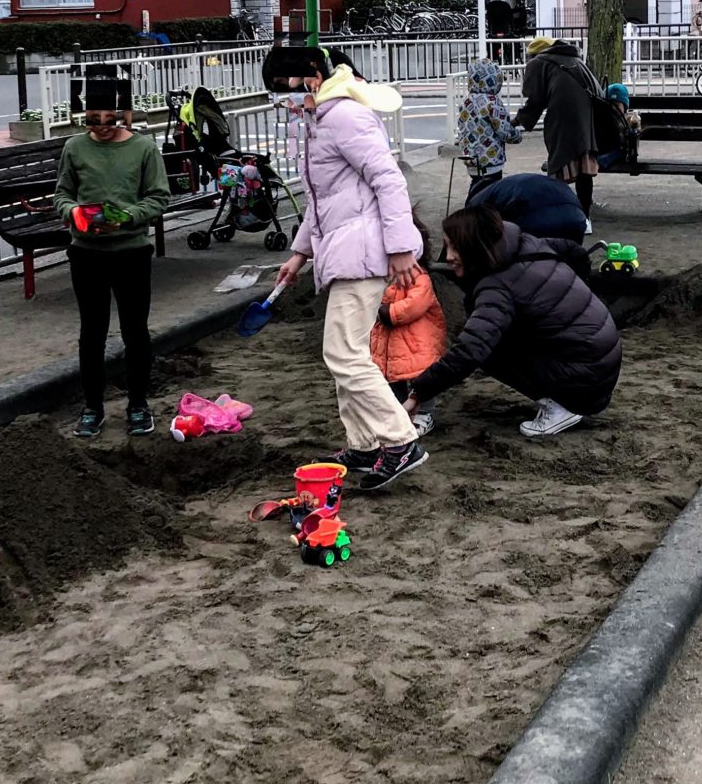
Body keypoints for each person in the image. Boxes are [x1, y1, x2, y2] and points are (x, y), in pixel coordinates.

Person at [266, 44, 429, 490]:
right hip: (346, 248)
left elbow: (388, 179)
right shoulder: (323, 120)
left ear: (313, 74)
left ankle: (399, 440)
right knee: (346, 353)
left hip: (363, 251)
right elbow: (324, 202)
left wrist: (400, 247)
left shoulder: (343, 116)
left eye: (286, 88)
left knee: (343, 353)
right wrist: (299, 254)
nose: (285, 99)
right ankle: (364, 443)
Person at [404, 205, 621, 439]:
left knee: (487, 348)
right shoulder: (525, 243)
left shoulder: (497, 286)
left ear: (474, 244)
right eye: (447, 246)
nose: (448, 257)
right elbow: (575, 251)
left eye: (455, 247)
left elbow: (469, 351)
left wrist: (420, 391)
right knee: (494, 334)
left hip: (587, 379)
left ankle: (563, 408)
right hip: (601, 358)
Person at [53, 77, 172, 438]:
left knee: (135, 330)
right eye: (93, 120)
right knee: (92, 332)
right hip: (86, 252)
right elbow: (62, 193)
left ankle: (138, 404)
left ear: (126, 116)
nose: (102, 127)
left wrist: (130, 216)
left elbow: (158, 196)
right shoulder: (74, 148)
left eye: (111, 119)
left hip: (131, 250)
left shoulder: (143, 149)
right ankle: (93, 407)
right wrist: (74, 213)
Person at [372, 215, 448, 437]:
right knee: (392, 379)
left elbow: (413, 306)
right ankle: (399, 411)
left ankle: (425, 414)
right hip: (391, 345)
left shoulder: (419, 278)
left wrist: (387, 311)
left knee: (421, 380)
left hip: (416, 344)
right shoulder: (385, 278)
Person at [514, 36, 604, 217]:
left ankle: (563, 213)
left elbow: (535, 100)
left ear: (533, 54)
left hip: (563, 120)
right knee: (583, 168)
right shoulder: (574, 59)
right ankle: (584, 217)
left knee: (560, 167)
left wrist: (516, 122)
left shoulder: (539, 62)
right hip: (587, 121)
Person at [455, 58, 521, 201]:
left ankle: (473, 208)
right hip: (490, 158)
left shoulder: (466, 101)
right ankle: (482, 214)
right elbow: (504, 131)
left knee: (477, 184)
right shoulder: (493, 103)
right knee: (490, 191)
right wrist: (516, 136)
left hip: (471, 156)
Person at [467, 172, 590, 240]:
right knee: (569, 262)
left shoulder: (476, 204)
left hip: (540, 220)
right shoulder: (505, 186)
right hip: (576, 215)